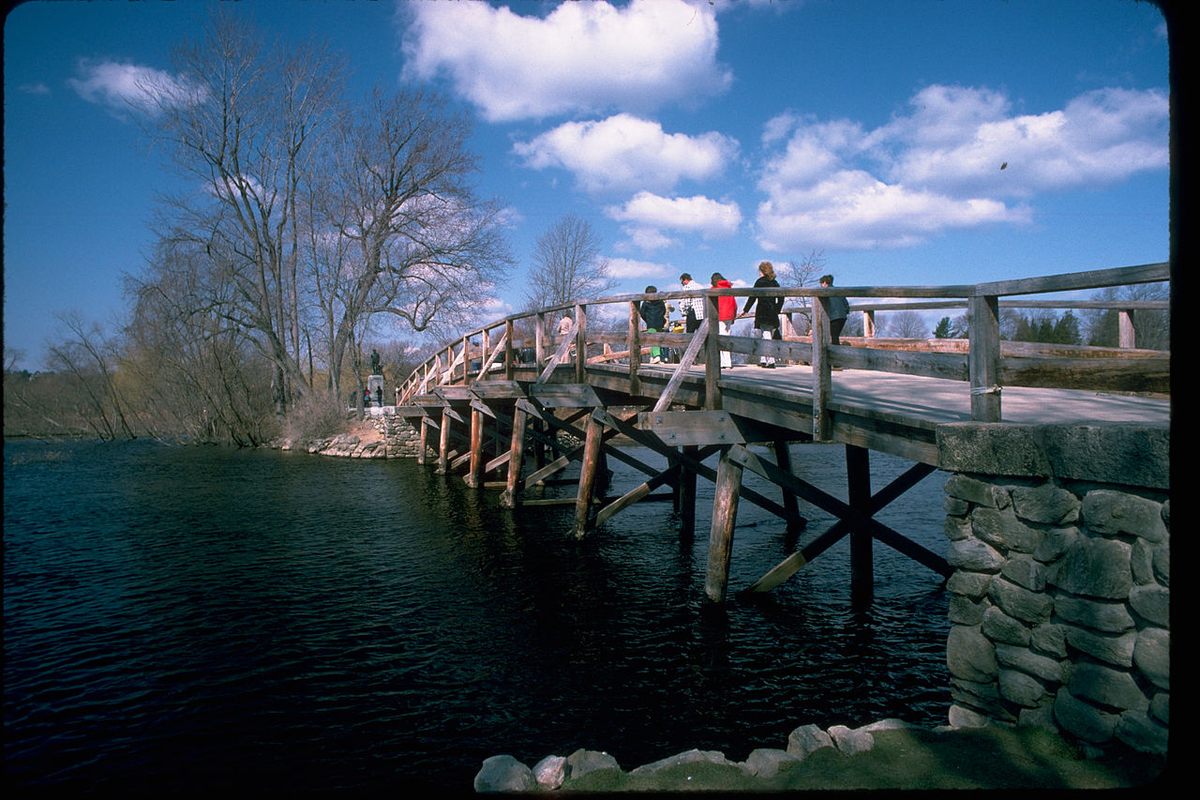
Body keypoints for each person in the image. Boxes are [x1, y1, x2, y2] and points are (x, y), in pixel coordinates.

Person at [742, 261, 783, 368]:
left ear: (762, 271)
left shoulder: (760, 282)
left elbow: (752, 297)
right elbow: (782, 297)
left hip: (763, 311)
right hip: (772, 310)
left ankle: (771, 360)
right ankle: (763, 359)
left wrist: (745, 310)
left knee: (766, 334)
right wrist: (777, 308)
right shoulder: (774, 282)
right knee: (766, 333)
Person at [711, 272, 736, 369]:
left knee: (720, 339)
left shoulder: (714, 289)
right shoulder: (729, 288)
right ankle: (728, 361)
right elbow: (734, 304)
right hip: (729, 315)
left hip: (720, 316)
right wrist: (733, 316)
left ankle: (723, 362)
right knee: (727, 337)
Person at [638, 285, 668, 364]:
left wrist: (647, 320)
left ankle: (657, 357)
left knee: (652, 340)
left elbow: (642, 313)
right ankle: (652, 358)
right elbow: (664, 310)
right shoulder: (660, 301)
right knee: (658, 339)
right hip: (660, 322)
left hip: (651, 323)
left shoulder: (645, 303)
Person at [820, 274, 850, 345]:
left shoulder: (825, 292)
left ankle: (835, 353)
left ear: (825, 283)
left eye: (821, 283)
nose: (821, 285)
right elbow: (846, 304)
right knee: (835, 336)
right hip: (842, 316)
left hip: (834, 317)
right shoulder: (838, 291)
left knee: (834, 337)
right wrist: (846, 312)